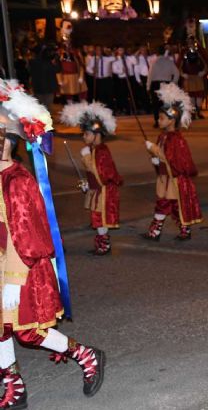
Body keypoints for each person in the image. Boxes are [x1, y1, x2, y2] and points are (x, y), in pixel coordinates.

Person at [0, 81, 105, 408]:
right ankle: (13, 383)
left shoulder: (17, 180)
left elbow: (29, 235)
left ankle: (86, 355)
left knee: (28, 332)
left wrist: (15, 280)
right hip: (2, 265)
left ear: (7, 142)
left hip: (22, 271)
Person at [60, 101, 122, 256]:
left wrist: (86, 157)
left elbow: (102, 173)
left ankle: (104, 245)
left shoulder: (101, 151)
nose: (84, 137)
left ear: (97, 134)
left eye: (86, 134)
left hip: (104, 192)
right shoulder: (95, 150)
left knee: (99, 217)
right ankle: (102, 243)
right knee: (96, 217)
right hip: (97, 191)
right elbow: (94, 174)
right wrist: (87, 184)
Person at [143, 83, 202, 240]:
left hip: (174, 179)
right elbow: (162, 157)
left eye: (162, 118)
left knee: (173, 204)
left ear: (171, 120)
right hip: (164, 178)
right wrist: (155, 161)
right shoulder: (162, 136)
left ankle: (180, 229)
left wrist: (154, 149)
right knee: (163, 203)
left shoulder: (176, 139)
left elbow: (169, 157)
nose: (159, 120)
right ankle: (158, 231)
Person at [147, 45, 180, 128]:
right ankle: (169, 120)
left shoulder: (154, 62)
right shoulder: (169, 62)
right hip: (167, 83)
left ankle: (157, 121)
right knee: (167, 103)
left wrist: (148, 87)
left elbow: (150, 75)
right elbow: (177, 73)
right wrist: (173, 83)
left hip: (155, 84)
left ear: (157, 53)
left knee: (156, 104)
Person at [28, 44, 60, 110]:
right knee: (47, 107)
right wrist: (56, 61)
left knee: (40, 107)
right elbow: (57, 69)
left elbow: (30, 73)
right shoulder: (48, 62)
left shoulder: (32, 62)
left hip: (38, 88)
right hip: (48, 89)